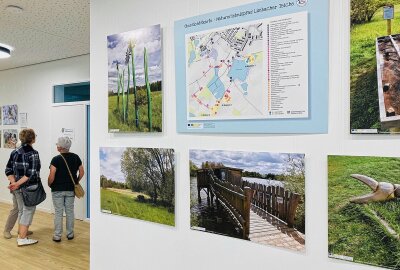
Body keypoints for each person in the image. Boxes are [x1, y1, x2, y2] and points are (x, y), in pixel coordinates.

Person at [6, 129, 41, 246]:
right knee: (28, 211)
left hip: (16, 188)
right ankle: (22, 238)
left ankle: (22, 232)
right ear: (32, 139)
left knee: (22, 210)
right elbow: (30, 174)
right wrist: (16, 184)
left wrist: (13, 182)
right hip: (28, 188)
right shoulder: (33, 153)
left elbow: (8, 170)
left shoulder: (14, 152)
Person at [48, 137, 84, 242]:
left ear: (60, 148)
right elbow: (82, 172)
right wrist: (76, 182)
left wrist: (50, 184)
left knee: (58, 212)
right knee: (70, 211)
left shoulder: (56, 159)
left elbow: (52, 175)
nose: (57, 146)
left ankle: (57, 236)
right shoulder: (76, 157)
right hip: (70, 189)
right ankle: (70, 234)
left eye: (57, 145)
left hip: (57, 190)